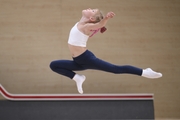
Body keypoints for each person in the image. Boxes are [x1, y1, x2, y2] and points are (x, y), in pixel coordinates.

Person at [50, 8, 162, 94]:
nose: (89, 8)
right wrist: (99, 27)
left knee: (115, 69)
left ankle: (144, 72)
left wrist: (105, 19)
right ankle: (77, 77)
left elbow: (99, 24)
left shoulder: (87, 26)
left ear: (92, 19)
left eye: (92, 10)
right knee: (54, 65)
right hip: (78, 61)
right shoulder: (80, 24)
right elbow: (97, 25)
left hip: (87, 59)